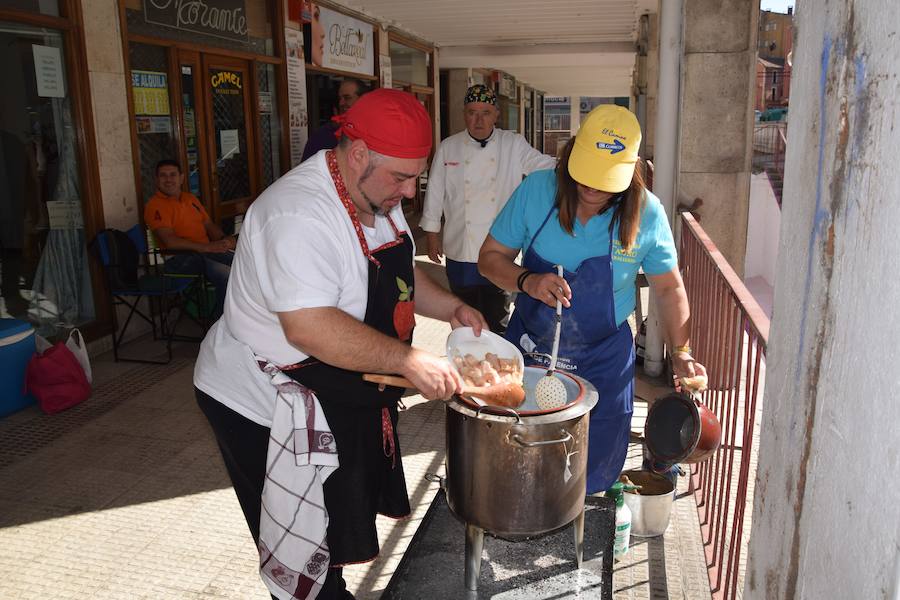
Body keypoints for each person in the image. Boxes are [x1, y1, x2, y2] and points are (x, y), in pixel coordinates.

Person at [193, 89, 486, 600]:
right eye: (401, 176)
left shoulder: (376, 193)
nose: (411, 191)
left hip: (333, 383)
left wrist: (450, 308)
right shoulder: (298, 215)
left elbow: (397, 271)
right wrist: (409, 359)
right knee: (302, 537)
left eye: (417, 175)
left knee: (334, 515)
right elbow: (310, 328)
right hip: (261, 398)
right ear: (357, 155)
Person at [478, 105, 708, 494]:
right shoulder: (536, 191)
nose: (592, 189)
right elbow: (488, 259)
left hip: (603, 357)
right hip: (531, 348)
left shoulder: (646, 213)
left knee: (594, 460)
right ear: (572, 154)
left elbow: (668, 288)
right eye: (586, 174)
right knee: (520, 452)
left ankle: (583, 529)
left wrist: (682, 351)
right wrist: (527, 280)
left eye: (605, 180)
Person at [420, 84, 555, 333]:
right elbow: (435, 191)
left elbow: (543, 165)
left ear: (496, 115)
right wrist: (431, 233)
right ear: (464, 114)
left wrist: (575, 164)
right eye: (472, 112)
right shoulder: (448, 147)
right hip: (461, 245)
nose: (478, 119)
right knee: (463, 315)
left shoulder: (512, 144)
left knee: (497, 314)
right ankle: (466, 364)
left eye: (485, 112)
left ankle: (498, 364)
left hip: (500, 247)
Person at [144, 159, 235, 319]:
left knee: (244, 263)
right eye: (163, 176)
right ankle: (221, 326)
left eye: (173, 175)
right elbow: (170, 241)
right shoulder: (155, 205)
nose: (168, 179)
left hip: (204, 254)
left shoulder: (190, 199)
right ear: (156, 180)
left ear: (182, 178)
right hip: (180, 259)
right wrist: (207, 247)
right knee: (227, 274)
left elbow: (208, 225)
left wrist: (223, 241)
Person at [301, 79, 369, 162]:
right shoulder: (323, 135)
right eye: (340, 98)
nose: (341, 103)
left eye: (347, 98)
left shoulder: (374, 130)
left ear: (363, 99)